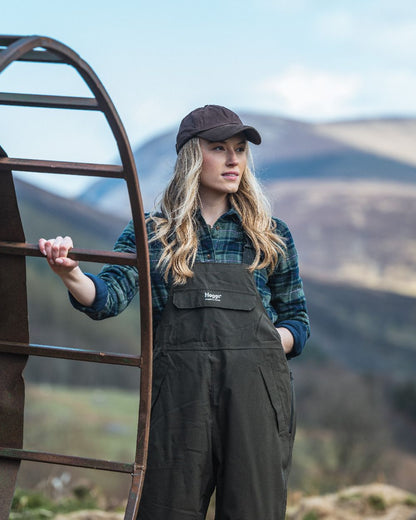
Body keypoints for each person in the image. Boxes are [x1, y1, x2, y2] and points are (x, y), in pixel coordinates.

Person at [39, 105, 310, 520]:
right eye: (219, 148)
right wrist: (70, 272)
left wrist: (270, 340)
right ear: (191, 156)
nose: (234, 159)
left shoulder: (271, 235)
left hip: (257, 398)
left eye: (240, 149)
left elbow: (297, 320)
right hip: (180, 402)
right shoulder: (152, 233)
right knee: (166, 510)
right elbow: (109, 295)